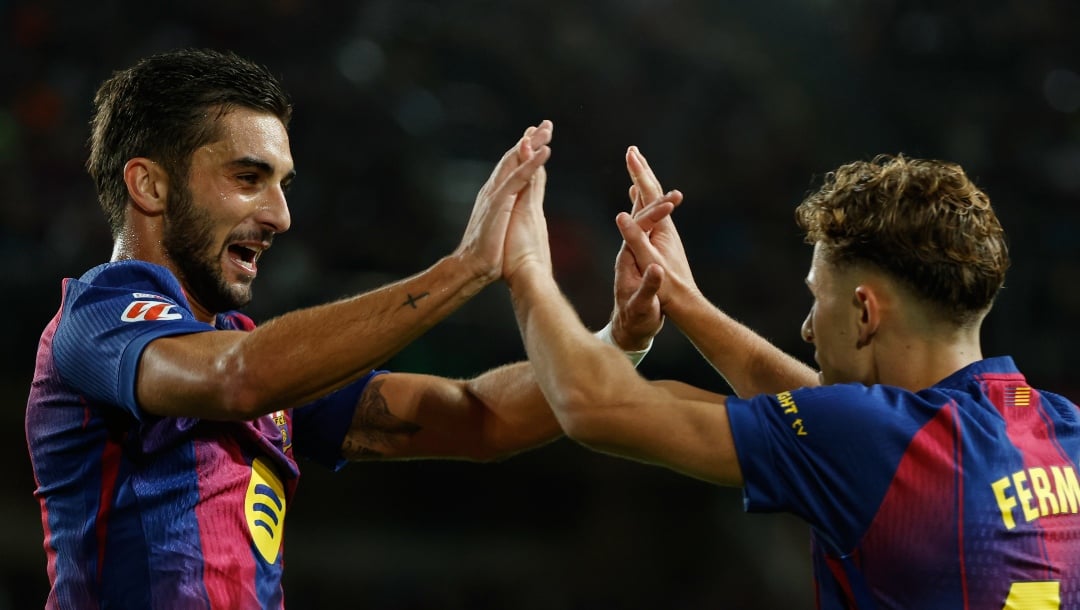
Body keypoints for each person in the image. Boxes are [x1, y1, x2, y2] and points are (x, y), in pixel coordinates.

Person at [24, 49, 657, 609]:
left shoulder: (258, 359)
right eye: (248, 179)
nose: (279, 215)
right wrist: (463, 271)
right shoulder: (99, 317)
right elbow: (238, 377)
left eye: (283, 185)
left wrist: (618, 342)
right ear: (150, 185)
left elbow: (479, 417)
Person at [504, 145, 1080, 608]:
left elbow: (592, 406)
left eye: (817, 300)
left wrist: (527, 264)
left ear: (865, 312)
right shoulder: (1061, 429)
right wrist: (685, 302)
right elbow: (846, 428)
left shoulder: (873, 441)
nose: (807, 329)